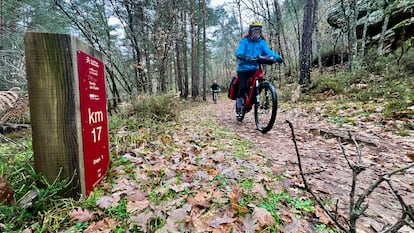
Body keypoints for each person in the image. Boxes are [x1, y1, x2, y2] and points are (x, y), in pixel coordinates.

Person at [235, 21, 283, 118]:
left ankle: (253, 100)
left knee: (260, 83)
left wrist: (278, 57)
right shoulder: (245, 41)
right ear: (251, 31)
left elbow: (268, 52)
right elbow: (239, 51)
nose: (256, 33)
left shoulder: (261, 42)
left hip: (255, 68)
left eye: (258, 31)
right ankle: (239, 103)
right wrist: (241, 56)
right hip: (243, 68)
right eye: (254, 30)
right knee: (243, 86)